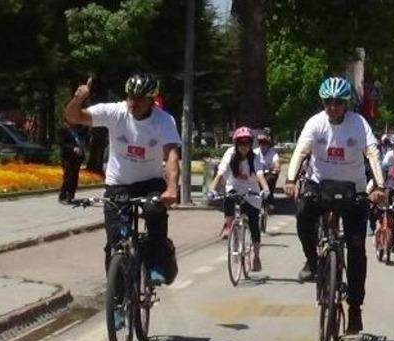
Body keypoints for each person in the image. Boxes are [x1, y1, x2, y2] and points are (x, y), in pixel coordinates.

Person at [283, 77, 387, 334]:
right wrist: (290, 179)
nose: (333, 107)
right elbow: (301, 151)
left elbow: (372, 153)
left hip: (354, 192)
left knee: (356, 249)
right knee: (303, 213)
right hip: (320, 186)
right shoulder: (315, 123)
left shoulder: (358, 124)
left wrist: (380, 187)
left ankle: (354, 309)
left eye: (338, 103)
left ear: (346, 103)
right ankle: (311, 261)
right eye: (328, 103)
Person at [64, 73, 181, 285]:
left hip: (150, 183)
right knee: (115, 241)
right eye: (129, 96)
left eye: (138, 98)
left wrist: (172, 188)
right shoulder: (115, 112)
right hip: (118, 183)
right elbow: (74, 117)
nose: (132, 102)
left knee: (155, 213)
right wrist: (78, 99)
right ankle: (117, 291)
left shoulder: (163, 120)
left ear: (151, 100)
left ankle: (156, 264)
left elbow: (171, 155)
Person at [210, 127, 271, 272]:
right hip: (234, 187)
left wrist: (266, 190)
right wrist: (212, 189)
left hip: (251, 192)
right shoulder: (230, 154)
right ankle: (229, 225)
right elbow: (221, 174)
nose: (244, 146)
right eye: (241, 143)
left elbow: (260, 175)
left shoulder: (255, 157)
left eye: (247, 143)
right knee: (228, 197)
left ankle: (256, 257)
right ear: (235, 144)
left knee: (254, 224)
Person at [58, 122, 87, 203]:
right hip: (67, 158)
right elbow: (62, 144)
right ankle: (63, 195)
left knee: (75, 177)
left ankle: (71, 195)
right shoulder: (63, 130)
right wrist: (73, 148)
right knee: (68, 176)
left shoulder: (79, 131)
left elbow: (83, 141)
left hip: (77, 158)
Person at [256, 132, 280, 208]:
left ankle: (269, 199)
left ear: (268, 145)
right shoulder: (255, 152)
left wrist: (275, 167)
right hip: (257, 173)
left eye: (264, 143)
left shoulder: (273, 153)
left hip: (268, 174)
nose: (262, 145)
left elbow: (277, 165)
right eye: (261, 143)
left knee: (271, 178)